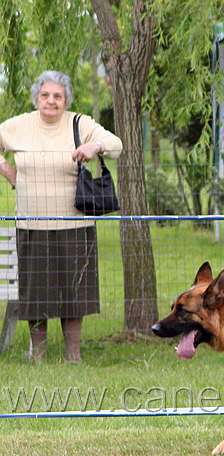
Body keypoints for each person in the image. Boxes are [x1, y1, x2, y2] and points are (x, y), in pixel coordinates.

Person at [0, 70, 122, 363]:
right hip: (31, 223)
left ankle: (73, 356)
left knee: (75, 291)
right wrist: (8, 170)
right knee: (35, 293)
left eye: (57, 96)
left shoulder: (80, 123)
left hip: (75, 223)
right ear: (37, 98)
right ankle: (38, 356)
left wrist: (95, 145)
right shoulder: (19, 125)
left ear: (66, 99)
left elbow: (116, 144)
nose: (51, 101)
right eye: (45, 95)